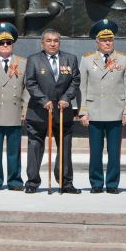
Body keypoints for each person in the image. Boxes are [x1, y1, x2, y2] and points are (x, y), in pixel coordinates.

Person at [78, 19, 126, 194]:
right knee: (95, 152)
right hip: (94, 111)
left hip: (116, 111)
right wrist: (83, 111)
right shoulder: (87, 60)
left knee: (114, 152)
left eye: (110, 39)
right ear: (97, 42)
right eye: (104, 40)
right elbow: (82, 87)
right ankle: (96, 183)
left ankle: (112, 184)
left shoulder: (123, 59)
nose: (108, 43)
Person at [24, 28, 81, 194]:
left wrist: (67, 98)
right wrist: (44, 100)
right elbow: (30, 83)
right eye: (48, 40)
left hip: (63, 111)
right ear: (42, 43)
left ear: (59, 42)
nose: (52, 44)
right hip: (39, 111)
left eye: (56, 40)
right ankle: (32, 182)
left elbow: (75, 80)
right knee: (35, 147)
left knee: (65, 148)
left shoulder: (70, 59)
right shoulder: (33, 59)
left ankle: (66, 182)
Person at [0, 23, 29, 191]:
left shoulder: (22, 63)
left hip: (15, 111)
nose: (5, 45)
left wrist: (24, 110)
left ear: (12, 44)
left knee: (14, 150)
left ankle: (15, 180)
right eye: (1, 43)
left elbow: (27, 89)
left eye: (8, 43)